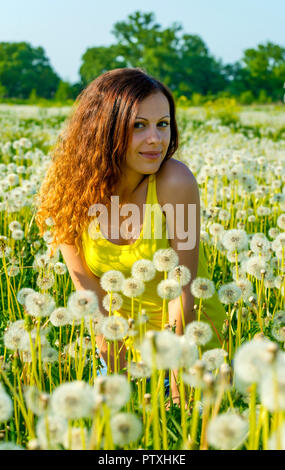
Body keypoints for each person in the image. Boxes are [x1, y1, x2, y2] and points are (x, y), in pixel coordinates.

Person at [35, 67, 226, 406]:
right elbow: (90, 297)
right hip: (117, 344)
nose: (156, 138)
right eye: (139, 125)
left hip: (189, 342)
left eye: (162, 124)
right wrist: (118, 377)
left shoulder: (173, 181)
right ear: (104, 130)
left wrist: (177, 385)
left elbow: (184, 289)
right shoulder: (67, 193)